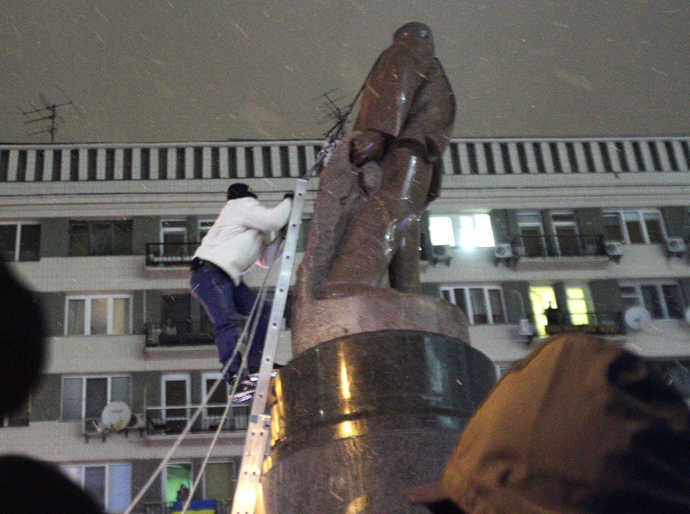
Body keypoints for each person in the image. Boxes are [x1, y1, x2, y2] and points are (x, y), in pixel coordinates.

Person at [189, 183, 292, 386]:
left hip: (226, 277)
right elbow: (272, 220)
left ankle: (256, 366)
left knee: (263, 312)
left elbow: (265, 260)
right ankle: (234, 377)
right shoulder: (239, 206)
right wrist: (290, 201)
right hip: (210, 272)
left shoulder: (249, 227)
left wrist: (283, 238)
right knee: (227, 323)